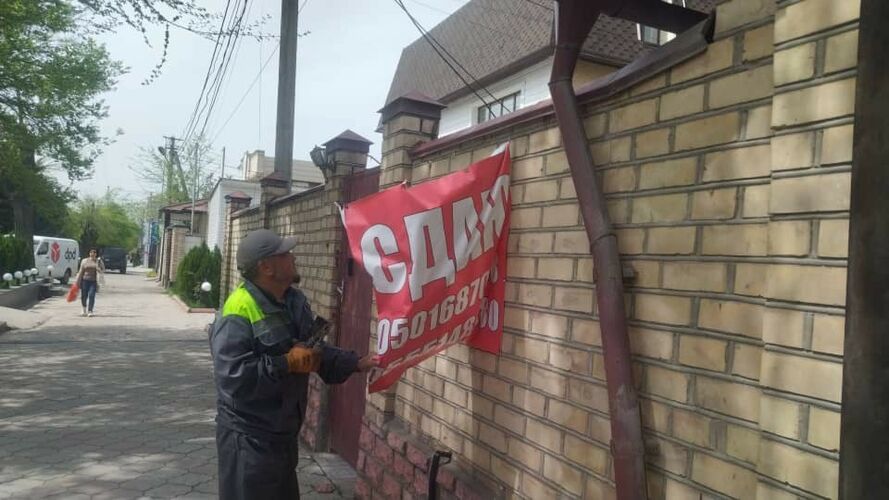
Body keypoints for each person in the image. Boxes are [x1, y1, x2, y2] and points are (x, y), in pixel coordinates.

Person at [209, 228, 379, 500]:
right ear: (267, 267)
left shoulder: (293, 300)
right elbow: (234, 378)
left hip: (282, 435)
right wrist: (285, 363)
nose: (293, 257)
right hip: (248, 440)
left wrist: (357, 363)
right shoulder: (237, 310)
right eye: (285, 254)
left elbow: (313, 350)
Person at [75, 248, 104, 317]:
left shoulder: (98, 261)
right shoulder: (84, 261)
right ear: (89, 253)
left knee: (91, 295)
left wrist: (98, 265)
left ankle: (90, 310)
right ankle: (84, 309)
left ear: (96, 254)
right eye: (91, 252)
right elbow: (81, 271)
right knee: (84, 296)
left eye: (94, 252)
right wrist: (78, 281)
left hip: (93, 282)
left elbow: (102, 270)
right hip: (84, 280)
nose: (92, 253)